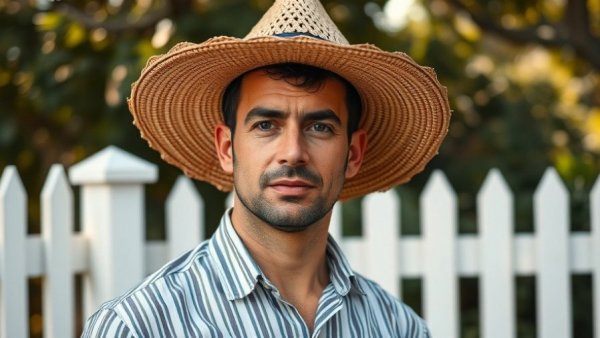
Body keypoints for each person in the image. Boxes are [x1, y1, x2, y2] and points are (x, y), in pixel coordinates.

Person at [82, 0, 450, 336]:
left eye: (320, 127)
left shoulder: (396, 326)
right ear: (227, 148)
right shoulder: (141, 325)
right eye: (266, 125)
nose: (293, 153)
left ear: (353, 154)